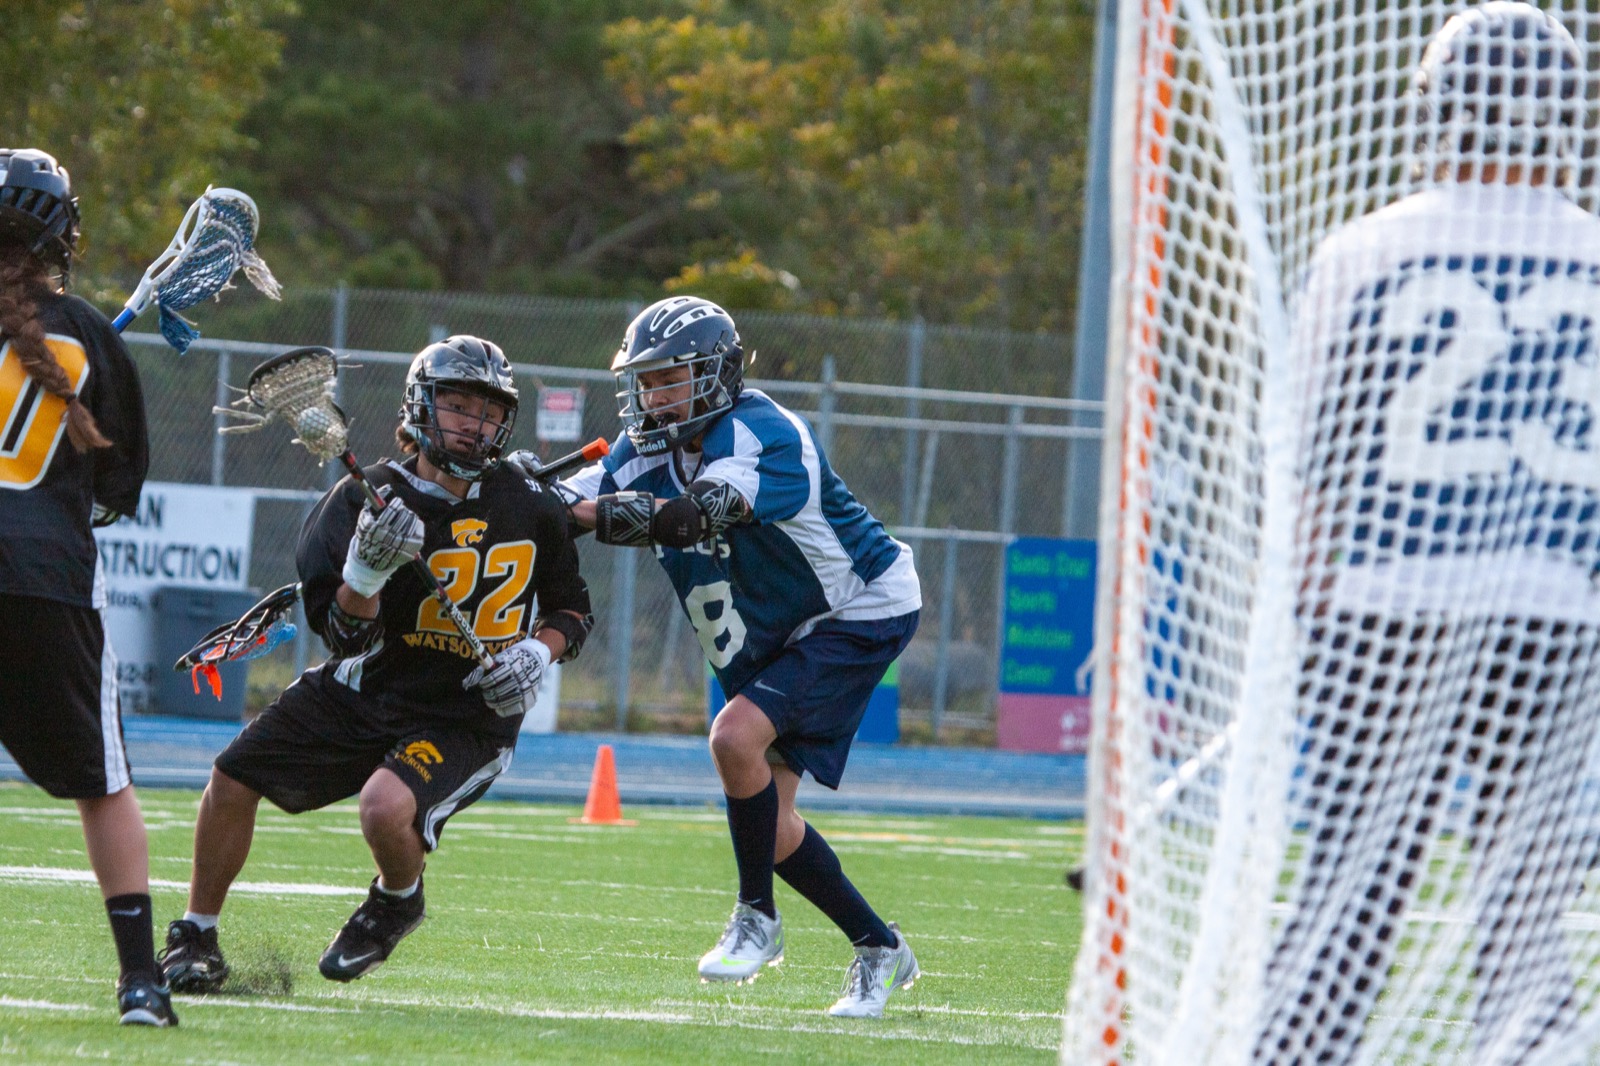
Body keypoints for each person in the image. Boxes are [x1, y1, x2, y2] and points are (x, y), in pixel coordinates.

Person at [1252, 5, 1600, 1063]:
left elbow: (1316, 461)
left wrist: (1297, 612)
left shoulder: (1368, 249)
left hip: (1386, 610)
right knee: (1522, 888)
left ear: (1440, 108)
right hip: (1556, 620)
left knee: (1356, 882)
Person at [159, 335, 593, 990]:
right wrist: (364, 574)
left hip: (464, 714)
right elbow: (345, 639)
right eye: (458, 405)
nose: (474, 424)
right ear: (420, 407)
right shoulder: (362, 500)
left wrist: (538, 650)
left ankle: (396, 899)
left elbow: (573, 609)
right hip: (369, 686)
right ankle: (196, 934)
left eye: (488, 411)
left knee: (384, 807)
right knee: (231, 777)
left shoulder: (528, 502)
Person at [552, 296, 922, 1018]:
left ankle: (758, 916)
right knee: (772, 823)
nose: (654, 397)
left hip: (856, 608)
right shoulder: (647, 447)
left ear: (716, 373)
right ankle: (879, 947)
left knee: (733, 738)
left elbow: (687, 516)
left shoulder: (763, 432)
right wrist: (513, 495)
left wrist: (568, 511)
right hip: (776, 622)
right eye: (646, 382)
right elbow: (572, 500)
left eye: (670, 379)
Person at [0, 149, 173, 1026]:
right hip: (45, 580)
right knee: (101, 783)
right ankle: (141, 980)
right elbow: (116, 487)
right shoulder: (92, 334)